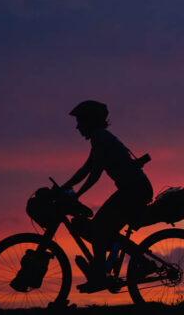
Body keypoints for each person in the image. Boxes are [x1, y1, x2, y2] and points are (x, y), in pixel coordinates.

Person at [61, 100, 153, 290]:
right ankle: (136, 263)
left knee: (100, 227)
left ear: (90, 121)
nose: (77, 126)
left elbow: (95, 173)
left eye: (80, 121)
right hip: (133, 189)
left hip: (134, 190)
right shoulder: (100, 137)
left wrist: (77, 194)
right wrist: (63, 188)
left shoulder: (100, 138)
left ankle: (101, 276)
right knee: (104, 230)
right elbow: (85, 169)